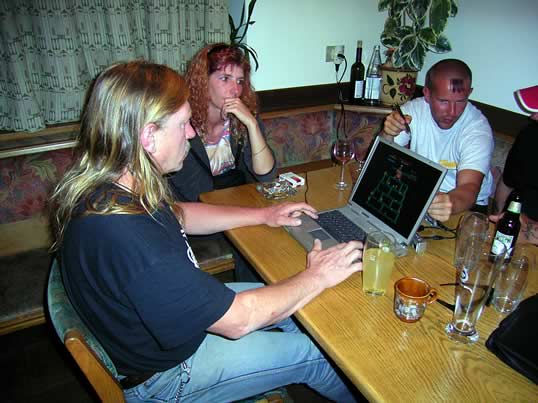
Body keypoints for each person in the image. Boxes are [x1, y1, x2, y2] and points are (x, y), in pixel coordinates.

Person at [50, 61, 362, 402]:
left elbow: (181, 214)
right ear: (148, 136)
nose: (190, 134)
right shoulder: (130, 238)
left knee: (296, 304)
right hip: (168, 375)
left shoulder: (114, 188)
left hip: (172, 324)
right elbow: (239, 320)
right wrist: (317, 275)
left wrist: (264, 214)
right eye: (183, 124)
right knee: (317, 354)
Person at [168, 43, 277, 282]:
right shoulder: (183, 125)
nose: (235, 89)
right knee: (252, 235)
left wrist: (251, 125)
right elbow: (193, 191)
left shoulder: (241, 119)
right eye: (225, 78)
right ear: (202, 82)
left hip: (239, 205)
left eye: (240, 81)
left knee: (277, 232)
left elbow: (266, 175)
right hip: (196, 215)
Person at [382, 59, 494, 222]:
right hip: (420, 194)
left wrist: (451, 203)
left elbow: (469, 187)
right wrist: (388, 133)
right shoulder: (414, 110)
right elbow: (382, 156)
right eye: (443, 101)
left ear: (469, 93)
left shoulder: (477, 129)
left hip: (465, 208)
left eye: (460, 101)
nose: (452, 112)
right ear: (427, 94)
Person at [491, 85, 538, 245]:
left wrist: (526, 227)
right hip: (510, 232)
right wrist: (497, 223)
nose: (533, 116)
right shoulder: (530, 135)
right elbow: (507, 183)